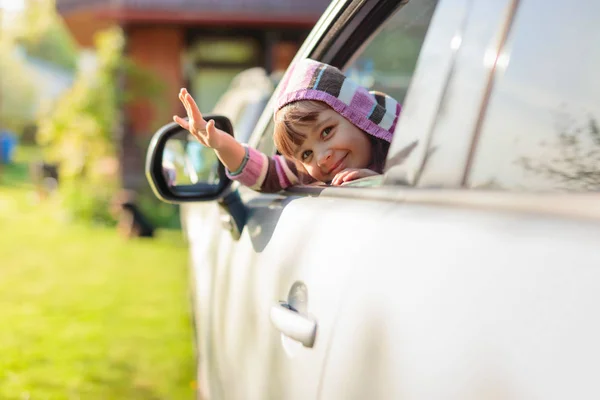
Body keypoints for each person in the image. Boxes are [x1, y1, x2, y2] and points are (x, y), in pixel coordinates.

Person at [173, 58, 401, 193]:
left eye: (326, 131)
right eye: (306, 154)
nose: (321, 158)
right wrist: (221, 144)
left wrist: (381, 180)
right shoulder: (308, 175)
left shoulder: (407, 149)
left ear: (355, 114)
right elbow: (266, 172)